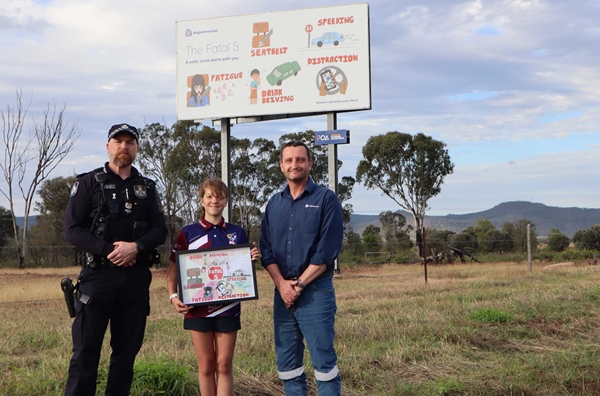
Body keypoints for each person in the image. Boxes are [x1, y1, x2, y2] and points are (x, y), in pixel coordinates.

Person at [63, 123, 167, 396]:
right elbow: (72, 229)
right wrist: (110, 249)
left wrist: (136, 246)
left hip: (134, 281)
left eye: (129, 142)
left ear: (136, 148)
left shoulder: (147, 186)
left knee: (125, 356)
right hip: (97, 280)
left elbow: (160, 229)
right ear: (108, 146)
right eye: (118, 141)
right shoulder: (88, 182)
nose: (124, 146)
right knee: (85, 354)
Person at [259, 141, 344, 395]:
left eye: (300, 159)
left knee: (324, 366)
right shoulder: (274, 203)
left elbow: (327, 252)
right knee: (288, 367)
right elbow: (266, 249)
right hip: (282, 294)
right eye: (288, 160)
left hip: (315, 292)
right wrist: (282, 285)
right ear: (281, 166)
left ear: (310, 163)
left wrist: (298, 285)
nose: (294, 164)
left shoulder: (326, 199)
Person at [166, 178, 259, 396]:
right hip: (196, 308)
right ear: (201, 201)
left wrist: (251, 258)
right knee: (206, 366)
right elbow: (172, 271)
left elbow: (241, 268)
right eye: (209, 196)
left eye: (219, 196)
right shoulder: (187, 233)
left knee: (224, 365)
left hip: (228, 307)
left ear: (226, 201)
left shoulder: (237, 233)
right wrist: (173, 296)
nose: (214, 201)